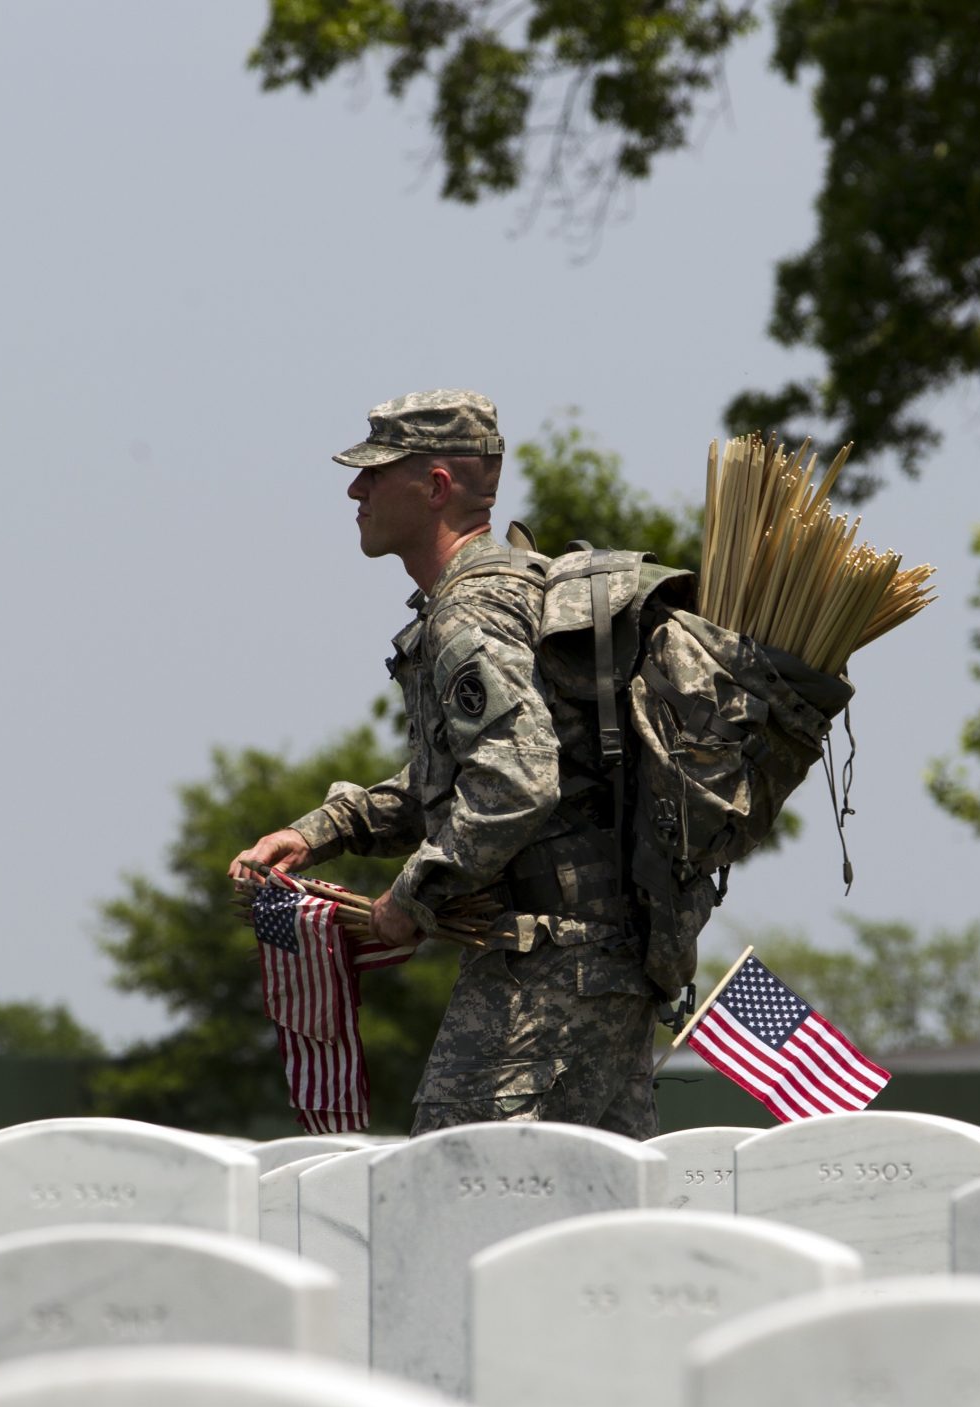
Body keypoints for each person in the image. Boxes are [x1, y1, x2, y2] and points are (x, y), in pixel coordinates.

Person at [228, 391, 659, 1136]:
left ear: (433, 488)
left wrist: (411, 897)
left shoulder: (472, 613)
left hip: (542, 972)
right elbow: (463, 778)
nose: (354, 490)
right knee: (598, 1224)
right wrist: (327, 829)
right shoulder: (512, 591)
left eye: (375, 473)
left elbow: (516, 782)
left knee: (456, 1193)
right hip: (600, 966)